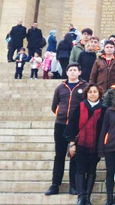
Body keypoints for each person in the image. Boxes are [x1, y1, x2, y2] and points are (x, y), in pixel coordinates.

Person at [46, 63, 87, 196]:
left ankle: (73, 185)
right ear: (67, 72)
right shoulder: (60, 88)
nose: (73, 72)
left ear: (79, 72)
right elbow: (54, 106)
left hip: (76, 126)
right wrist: (61, 114)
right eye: (70, 70)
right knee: (59, 155)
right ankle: (55, 184)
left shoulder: (84, 87)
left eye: (75, 70)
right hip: (61, 124)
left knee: (74, 156)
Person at [65, 83, 106, 205]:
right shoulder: (80, 107)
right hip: (81, 144)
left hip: (95, 145)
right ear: (86, 94)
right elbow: (72, 125)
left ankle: (88, 196)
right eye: (90, 92)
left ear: (99, 94)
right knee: (80, 170)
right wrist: (72, 143)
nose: (92, 94)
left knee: (92, 170)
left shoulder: (104, 110)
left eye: (95, 92)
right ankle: (80, 196)